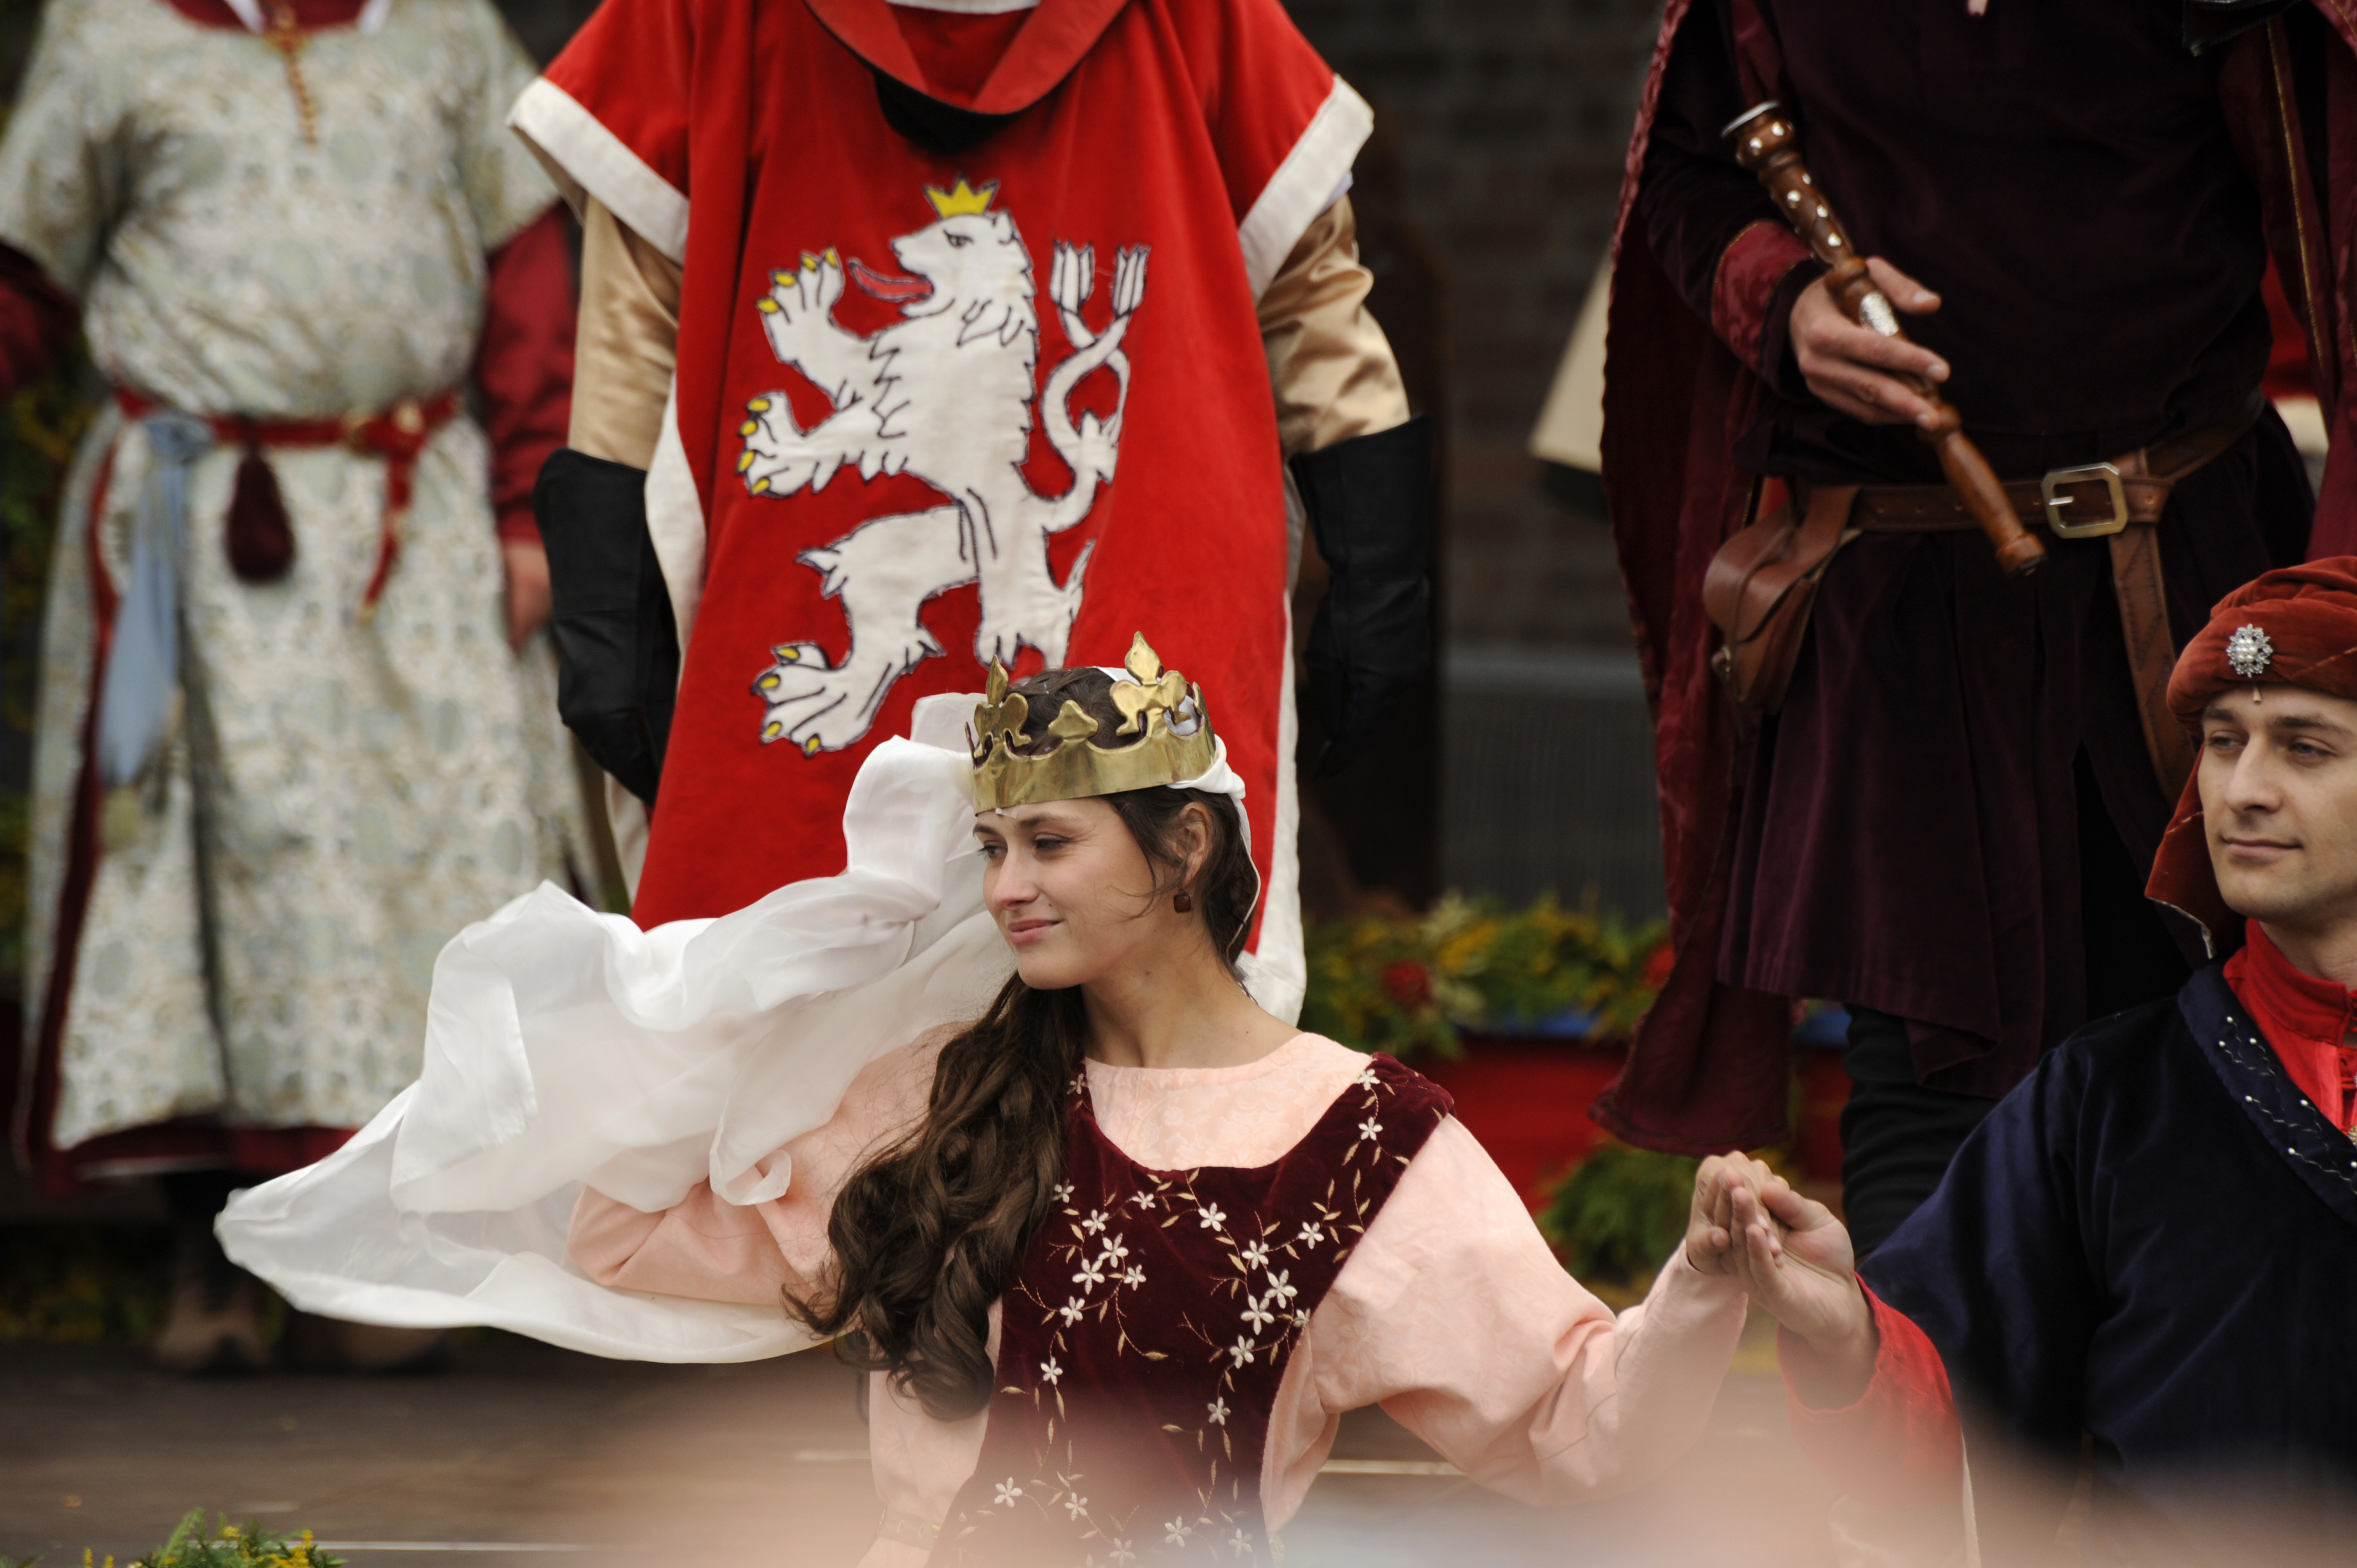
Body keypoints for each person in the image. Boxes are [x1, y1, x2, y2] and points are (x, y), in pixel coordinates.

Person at [220, 637, 1756, 1562]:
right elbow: (625, 1237)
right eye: (992, 849)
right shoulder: (944, 1096)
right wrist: (728, 1013)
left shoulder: (1367, 1143)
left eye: (1052, 844)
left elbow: (1573, 1427)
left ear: (1183, 855)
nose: (1007, 886)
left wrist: (1699, 1281)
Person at [1597, 0, 2357, 1253]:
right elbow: (1686, 170)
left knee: (2218, 1055)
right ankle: (1933, 1382)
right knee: (1927, 1099)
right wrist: (1785, 303)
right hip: (1899, 605)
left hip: (2180, 579)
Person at [511, 0, 1433, 1030]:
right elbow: (1317, 305)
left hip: (1001, 570)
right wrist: (1378, 551)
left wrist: (1376, 556)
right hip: (1095, 558)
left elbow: (632, 328)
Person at [2, 0, 586, 1370]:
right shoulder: (110, 31)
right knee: (189, 894)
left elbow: (528, 277)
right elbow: (23, 273)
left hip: (414, 529)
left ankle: (380, 1268)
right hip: (187, 539)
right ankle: (205, 1268)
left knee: (414, 892)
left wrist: (529, 507)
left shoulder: (443, 30)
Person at [1718, 561, 2357, 1560]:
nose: (2243, 791)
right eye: (2223, 742)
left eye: (2305, 748)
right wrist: (1845, 1330)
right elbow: (1957, 1430)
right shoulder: (2104, 1098)